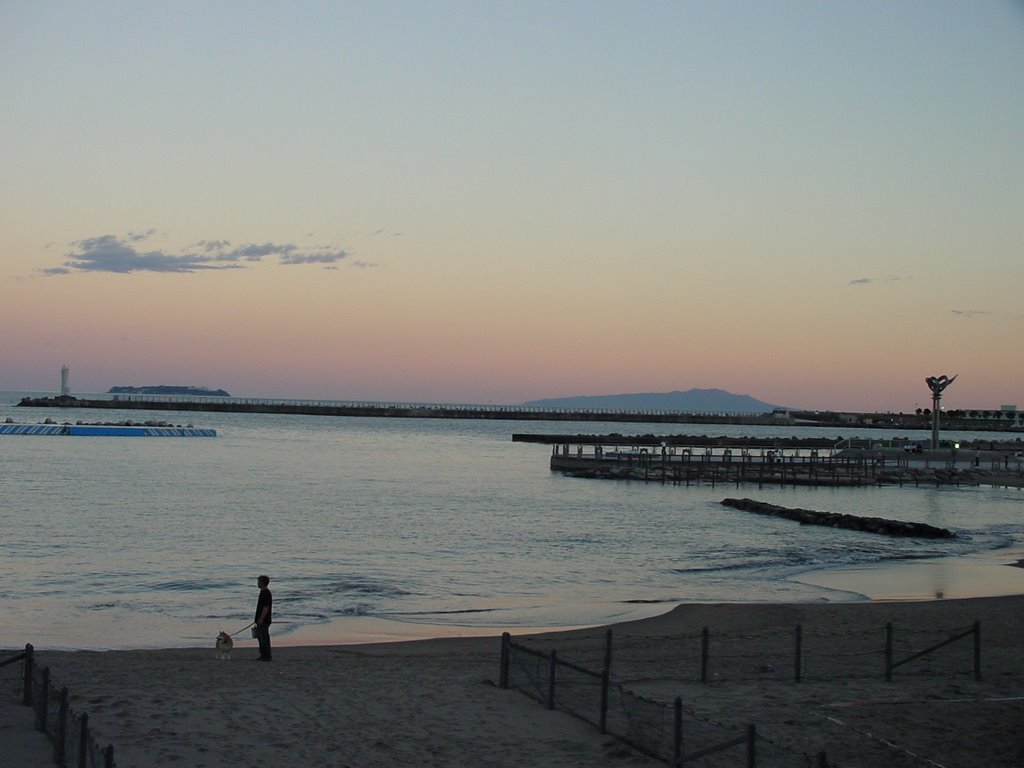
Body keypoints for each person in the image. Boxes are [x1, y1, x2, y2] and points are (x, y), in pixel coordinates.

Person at [254, 575, 273, 661]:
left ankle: (266, 656)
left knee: (264, 637)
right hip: (261, 619)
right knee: (261, 637)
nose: (258, 583)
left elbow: (266, 607)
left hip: (264, 620)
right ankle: (263, 654)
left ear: (262, 583)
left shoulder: (266, 593)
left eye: (259, 582)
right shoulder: (263, 592)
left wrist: (261, 618)